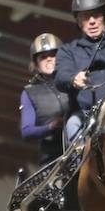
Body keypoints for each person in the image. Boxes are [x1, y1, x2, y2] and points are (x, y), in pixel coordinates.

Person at [55, 0, 105, 142]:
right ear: (78, 21)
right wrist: (73, 79)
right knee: (72, 124)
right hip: (85, 116)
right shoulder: (68, 51)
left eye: (96, 15)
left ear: (104, 17)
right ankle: (78, 164)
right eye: (85, 17)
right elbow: (60, 77)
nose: (92, 21)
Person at [19, 33, 70, 165]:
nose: (49, 59)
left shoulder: (74, 80)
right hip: (53, 159)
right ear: (36, 63)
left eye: (53, 55)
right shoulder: (29, 92)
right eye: (43, 57)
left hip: (83, 149)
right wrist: (50, 127)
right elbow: (27, 131)